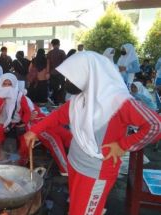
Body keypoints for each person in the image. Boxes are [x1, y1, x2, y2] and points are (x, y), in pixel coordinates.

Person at [24, 51, 161, 215]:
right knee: (77, 209)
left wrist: (123, 145)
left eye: (71, 77)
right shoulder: (81, 98)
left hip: (96, 171)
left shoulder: (119, 101)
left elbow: (155, 125)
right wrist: (34, 131)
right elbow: (58, 116)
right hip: (75, 163)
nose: (67, 82)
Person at [47, 39, 66, 105]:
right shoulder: (62, 52)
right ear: (58, 44)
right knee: (62, 87)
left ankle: (55, 102)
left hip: (52, 73)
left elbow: (48, 64)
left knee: (54, 88)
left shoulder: (49, 53)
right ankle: (61, 100)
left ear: (52, 45)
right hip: (60, 73)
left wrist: (48, 73)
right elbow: (65, 63)